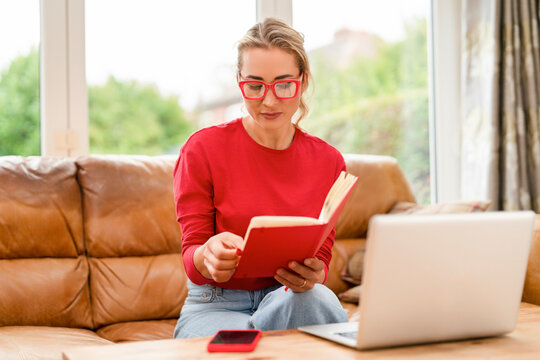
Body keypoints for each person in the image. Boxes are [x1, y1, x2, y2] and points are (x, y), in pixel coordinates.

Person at [173, 18, 348, 338]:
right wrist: (207, 255)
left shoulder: (328, 161)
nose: (269, 100)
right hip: (216, 304)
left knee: (317, 298)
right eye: (255, 86)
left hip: (288, 298)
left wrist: (314, 273)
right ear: (239, 81)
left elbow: (322, 258)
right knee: (242, 341)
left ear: (303, 81)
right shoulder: (202, 149)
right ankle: (260, 340)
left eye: (284, 84)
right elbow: (192, 254)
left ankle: (261, 339)